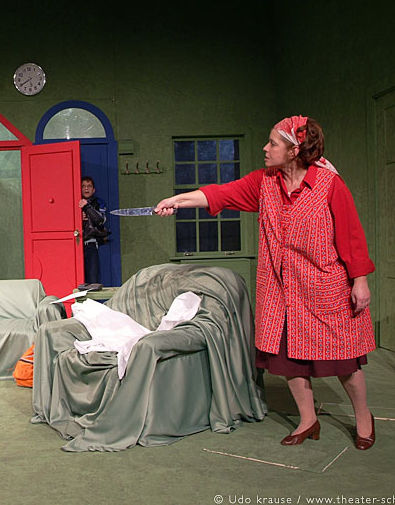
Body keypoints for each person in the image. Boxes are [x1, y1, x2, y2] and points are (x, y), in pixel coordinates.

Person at [155, 116, 377, 450]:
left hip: (324, 286)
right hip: (282, 290)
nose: (265, 148)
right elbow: (221, 194)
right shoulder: (265, 182)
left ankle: (363, 418)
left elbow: (352, 236)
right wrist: (176, 201)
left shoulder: (329, 184)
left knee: (344, 361)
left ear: (293, 150)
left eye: (273, 143)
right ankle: (308, 420)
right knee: (289, 360)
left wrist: (360, 281)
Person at [78, 176, 108, 285]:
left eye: (89, 186)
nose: (86, 188)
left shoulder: (99, 202)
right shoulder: (74, 201)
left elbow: (100, 220)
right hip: (75, 245)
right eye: (83, 186)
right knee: (77, 279)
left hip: (90, 244)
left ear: (93, 189)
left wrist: (87, 207)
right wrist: (78, 217)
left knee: (92, 280)